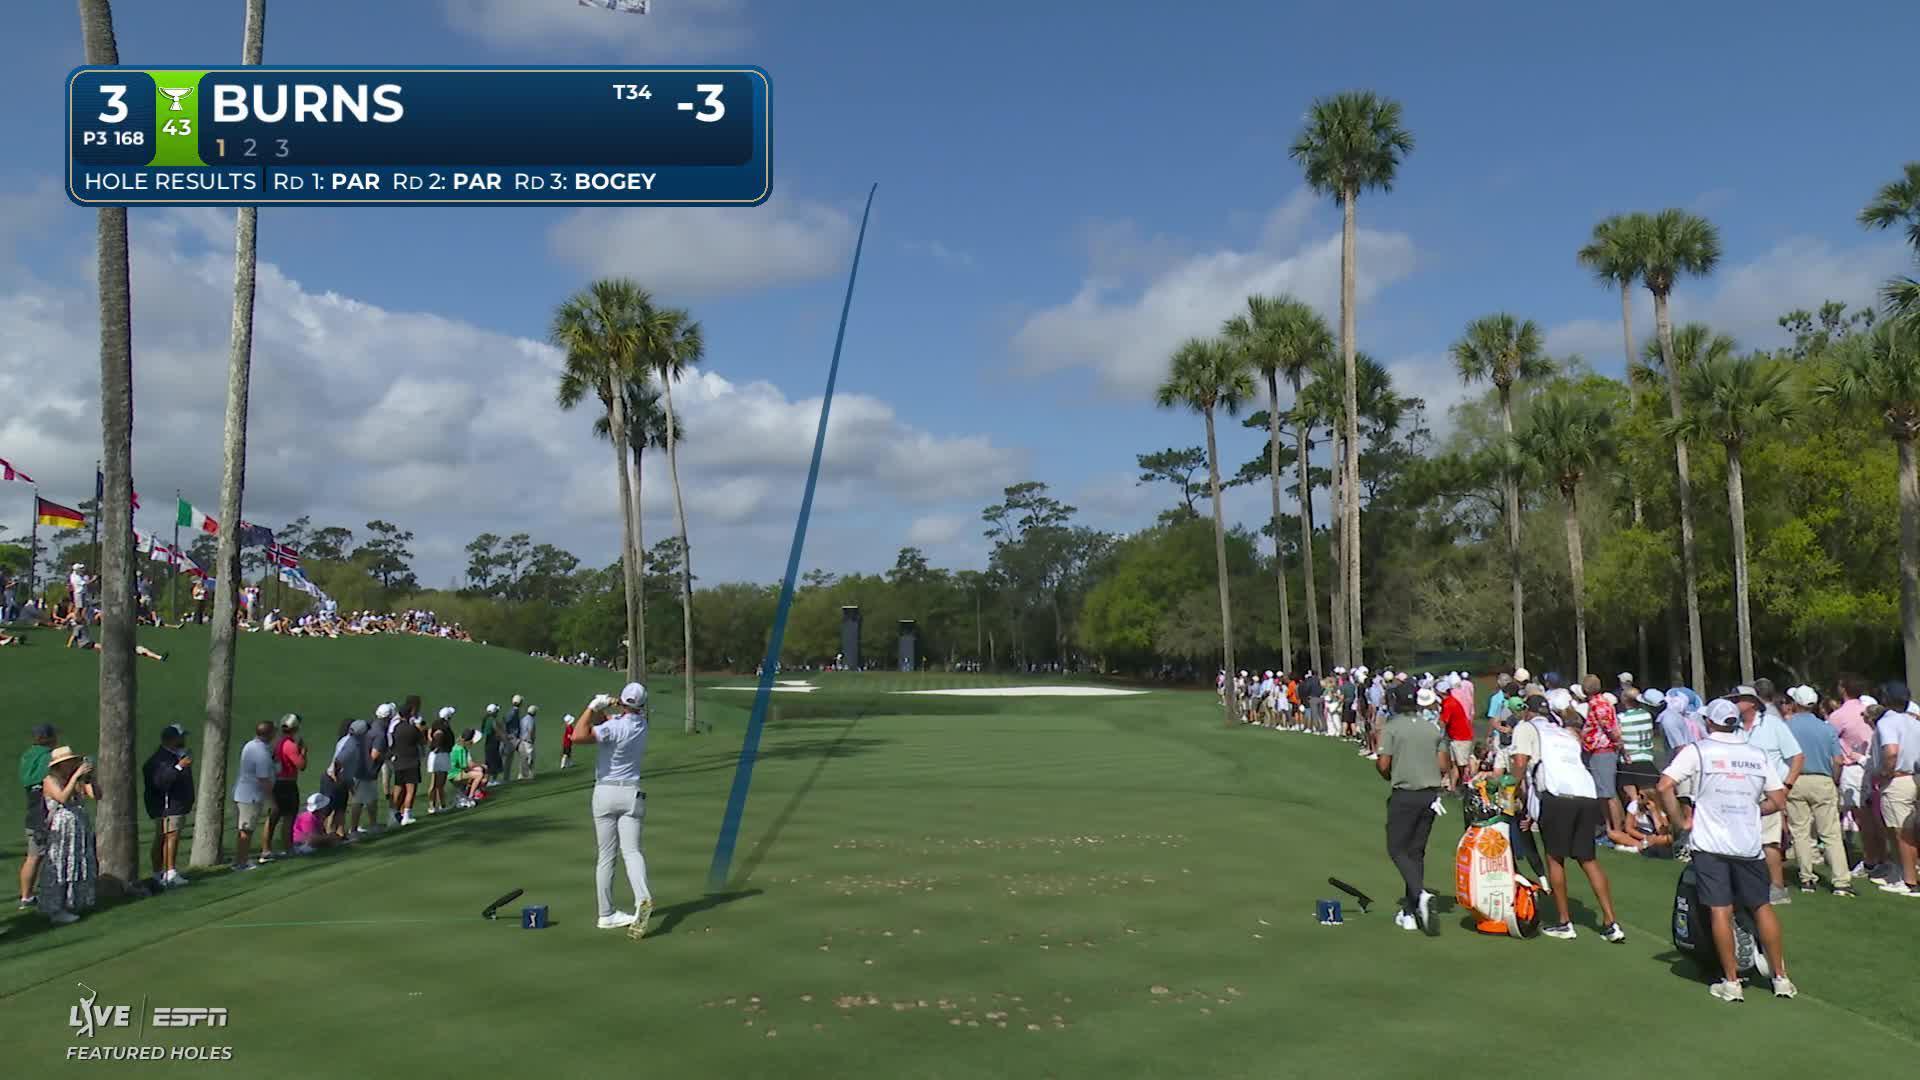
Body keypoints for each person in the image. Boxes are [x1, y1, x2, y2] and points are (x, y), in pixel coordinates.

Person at [1657, 699, 1797, 1001]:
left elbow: (1664, 785)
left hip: (1711, 844)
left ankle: (1731, 982)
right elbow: (1777, 800)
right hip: (1747, 844)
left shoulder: (1699, 750)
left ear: (1710, 723)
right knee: (1762, 906)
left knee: (1719, 909)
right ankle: (1781, 978)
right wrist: (1750, 811)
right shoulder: (1756, 754)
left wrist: (1679, 821)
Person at [1516, 690, 1626, 943]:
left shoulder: (1526, 728)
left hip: (1558, 796)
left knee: (1555, 858)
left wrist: (1510, 791)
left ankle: (1564, 922)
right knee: (1588, 859)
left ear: (1527, 711)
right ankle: (1611, 923)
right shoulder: (1564, 731)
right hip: (1586, 795)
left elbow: (1521, 763)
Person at [570, 682, 655, 934]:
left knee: (606, 856)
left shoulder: (612, 727)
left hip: (605, 792)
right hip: (631, 792)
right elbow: (612, 720)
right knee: (632, 852)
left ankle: (606, 914)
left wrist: (591, 706)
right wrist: (611, 705)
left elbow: (577, 735)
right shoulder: (641, 725)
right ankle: (642, 898)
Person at [1377, 683, 1452, 935]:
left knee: (1397, 849)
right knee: (1416, 852)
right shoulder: (1433, 727)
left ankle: (1420, 895)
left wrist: (1390, 771)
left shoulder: (1392, 727)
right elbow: (1443, 765)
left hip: (1405, 794)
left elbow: (1383, 764)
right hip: (1430, 797)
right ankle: (1409, 912)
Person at [1730, 685, 1803, 904]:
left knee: (1769, 842)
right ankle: (1748, 884)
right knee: (1743, 839)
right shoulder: (1735, 729)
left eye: (1738, 699)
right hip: (1742, 792)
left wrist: (1786, 786)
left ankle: (1777, 888)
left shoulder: (1773, 725)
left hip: (1769, 791)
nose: (1734, 704)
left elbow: (1797, 757)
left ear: (1751, 702)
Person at [1780, 685, 1850, 895]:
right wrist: (1834, 779)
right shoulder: (1826, 728)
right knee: (1830, 833)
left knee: (1800, 832)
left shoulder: (1786, 727)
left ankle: (1806, 878)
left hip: (1796, 780)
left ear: (1795, 704)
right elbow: (1838, 760)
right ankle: (1841, 881)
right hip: (1822, 779)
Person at [36, 747, 98, 925]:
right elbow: (62, 797)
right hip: (61, 828)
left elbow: (96, 795)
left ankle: (74, 902)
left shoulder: (76, 780)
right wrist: (75, 777)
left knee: (78, 863)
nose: (71, 765)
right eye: (68, 763)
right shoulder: (50, 780)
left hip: (78, 826)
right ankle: (55, 908)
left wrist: (89, 778)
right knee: (60, 864)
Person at [1872, 682, 1920, 895]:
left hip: (1898, 779)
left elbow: (1891, 752)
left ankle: (1909, 881)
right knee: (1909, 830)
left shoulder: (1887, 722)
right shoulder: (1913, 722)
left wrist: (1885, 772)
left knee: (1901, 832)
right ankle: (1903, 873)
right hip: (1914, 777)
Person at [141, 724, 194, 888]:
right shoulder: (160, 759)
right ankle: (168, 872)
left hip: (176, 804)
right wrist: (180, 767)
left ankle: (163, 872)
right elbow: (161, 782)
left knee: (167, 837)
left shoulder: (174, 755)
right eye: (181, 737)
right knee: (169, 837)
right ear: (171, 739)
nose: (184, 740)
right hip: (167, 806)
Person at [18, 723, 57, 909]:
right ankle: (32, 895)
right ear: (49, 738)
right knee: (39, 856)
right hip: (44, 813)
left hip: (32, 812)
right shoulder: (49, 757)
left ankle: (26, 896)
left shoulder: (27, 756)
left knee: (33, 856)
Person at [229, 722, 274, 870]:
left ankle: (239, 860)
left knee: (243, 830)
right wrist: (272, 801)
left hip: (241, 793)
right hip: (250, 796)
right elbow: (263, 779)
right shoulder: (261, 753)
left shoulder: (250, 745)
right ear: (268, 734)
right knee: (246, 830)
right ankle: (242, 863)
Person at [265, 714, 307, 861]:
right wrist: (303, 752)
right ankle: (288, 848)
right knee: (288, 817)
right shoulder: (290, 745)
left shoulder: (275, 742)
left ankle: (266, 849)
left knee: (273, 817)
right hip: (287, 783)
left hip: (276, 782)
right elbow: (301, 765)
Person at [388, 699, 426, 826]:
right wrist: (421, 730)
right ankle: (406, 816)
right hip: (411, 762)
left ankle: (392, 815)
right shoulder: (412, 729)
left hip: (398, 762)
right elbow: (422, 741)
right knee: (411, 790)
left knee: (398, 788)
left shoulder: (395, 727)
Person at [357, 705, 392, 834]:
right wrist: (387, 755)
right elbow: (375, 754)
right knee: (369, 799)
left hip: (362, 767)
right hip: (368, 770)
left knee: (362, 800)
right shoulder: (380, 733)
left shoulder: (372, 725)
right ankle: (369, 825)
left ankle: (362, 826)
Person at [1438, 679, 1474, 780]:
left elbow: (1443, 722)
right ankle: (1454, 787)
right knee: (1454, 764)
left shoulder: (1449, 703)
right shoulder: (1449, 701)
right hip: (1455, 737)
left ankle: (1467, 784)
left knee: (1462, 765)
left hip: (1461, 737)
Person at [426, 711, 455, 814]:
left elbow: (430, 733)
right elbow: (438, 735)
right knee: (439, 784)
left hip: (435, 756)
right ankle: (442, 806)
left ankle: (432, 807)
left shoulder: (436, 724)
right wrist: (437, 747)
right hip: (441, 755)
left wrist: (432, 743)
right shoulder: (443, 727)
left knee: (434, 783)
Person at [483, 704, 505, 785]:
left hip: (488, 744)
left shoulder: (486, 719)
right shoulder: (493, 720)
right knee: (494, 763)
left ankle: (488, 781)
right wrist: (505, 740)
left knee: (489, 762)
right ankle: (492, 781)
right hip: (493, 744)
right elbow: (498, 731)